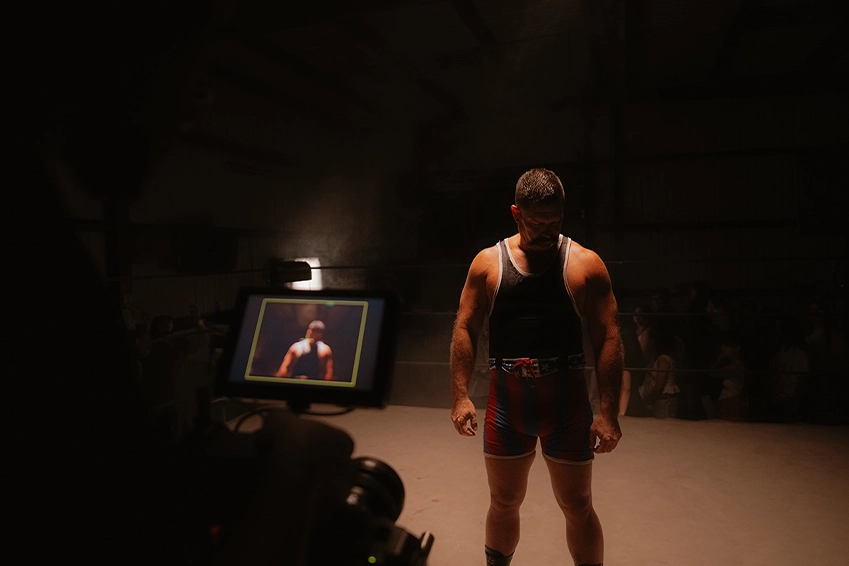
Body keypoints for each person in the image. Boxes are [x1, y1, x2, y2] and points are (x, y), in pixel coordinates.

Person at [449, 168, 623, 566]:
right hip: (508, 405)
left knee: (578, 503)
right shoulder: (488, 264)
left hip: (566, 405)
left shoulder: (585, 264)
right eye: (536, 222)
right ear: (516, 213)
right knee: (504, 501)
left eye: (555, 222)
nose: (547, 231)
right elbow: (465, 327)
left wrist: (609, 413)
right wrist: (459, 397)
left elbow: (608, 337)